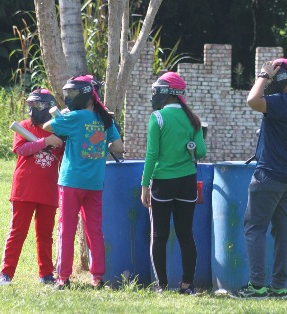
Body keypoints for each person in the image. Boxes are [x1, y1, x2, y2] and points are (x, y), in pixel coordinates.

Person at [234, 59, 287, 299]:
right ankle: (279, 286)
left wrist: (262, 74)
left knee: (255, 227)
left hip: (270, 175)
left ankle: (257, 285)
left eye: (272, 75)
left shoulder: (280, 102)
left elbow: (252, 101)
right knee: (283, 230)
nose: (268, 79)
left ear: (280, 78)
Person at [43, 75, 124, 290]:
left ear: (88, 95)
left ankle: (63, 278)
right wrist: (98, 140)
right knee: (94, 231)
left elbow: (47, 126)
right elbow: (118, 146)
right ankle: (97, 278)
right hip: (94, 183)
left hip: (71, 182)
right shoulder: (105, 118)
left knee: (66, 230)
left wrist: (67, 116)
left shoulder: (75, 117)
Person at [140, 72, 206, 295]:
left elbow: (151, 155)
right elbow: (202, 152)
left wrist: (144, 185)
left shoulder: (157, 118)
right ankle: (187, 285)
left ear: (167, 93)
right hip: (187, 182)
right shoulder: (192, 119)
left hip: (162, 184)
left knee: (159, 235)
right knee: (186, 235)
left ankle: (162, 286)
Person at [0, 88, 65, 286]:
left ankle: (45, 274)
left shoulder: (57, 130)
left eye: (38, 105)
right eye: (31, 105)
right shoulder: (24, 127)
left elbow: (63, 157)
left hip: (48, 191)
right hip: (24, 190)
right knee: (17, 232)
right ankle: (6, 273)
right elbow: (21, 149)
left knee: (45, 235)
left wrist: (57, 141)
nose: (33, 110)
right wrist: (45, 141)